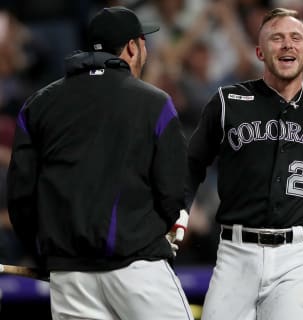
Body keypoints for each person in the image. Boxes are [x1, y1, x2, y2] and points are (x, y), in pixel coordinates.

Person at [7, 6, 193, 320]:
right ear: (133, 48)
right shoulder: (154, 102)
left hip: (71, 276)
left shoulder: (38, 105)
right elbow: (173, 192)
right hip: (138, 267)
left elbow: (21, 198)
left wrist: (50, 251)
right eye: (143, 42)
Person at [186, 7, 303, 319]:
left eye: (296, 38)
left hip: (298, 255)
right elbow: (191, 166)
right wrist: (179, 215)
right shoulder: (228, 101)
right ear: (259, 51)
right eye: (276, 38)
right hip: (235, 251)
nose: (287, 45)